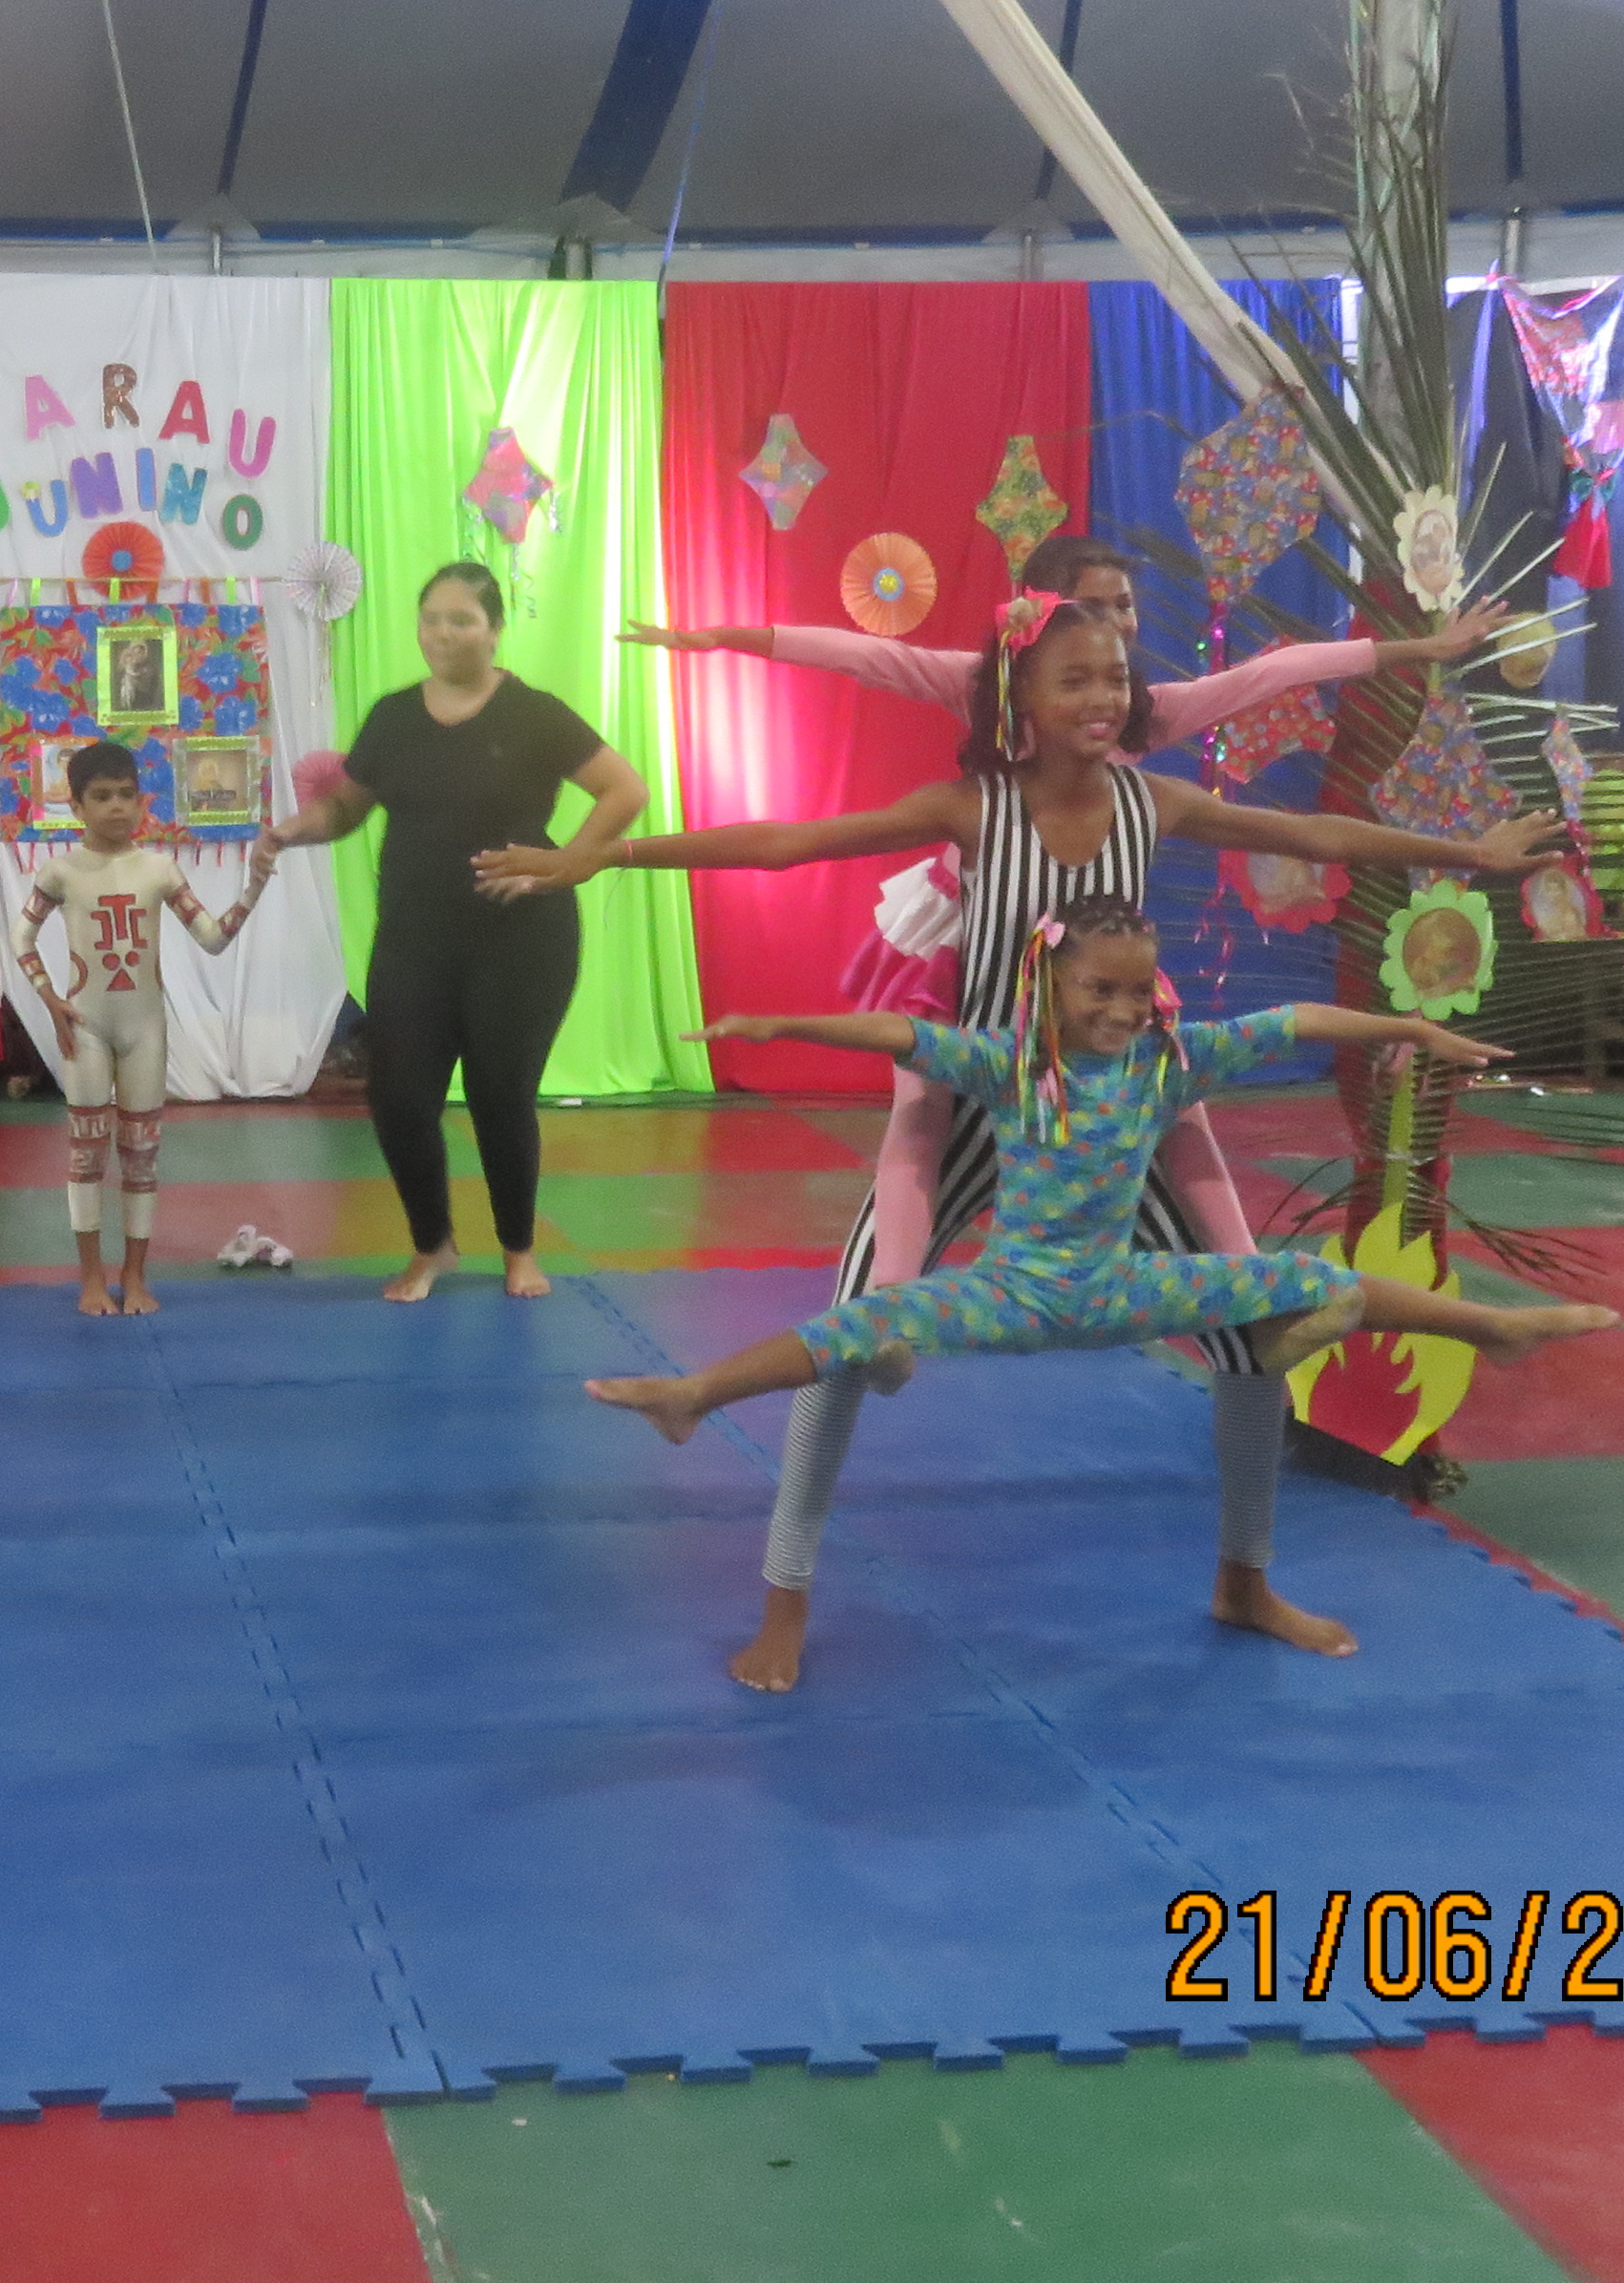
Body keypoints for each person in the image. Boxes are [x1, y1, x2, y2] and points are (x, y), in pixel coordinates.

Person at [484, 591, 1554, 1683]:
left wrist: (1468, 854)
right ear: (1021, 700)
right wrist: (605, 857)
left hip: (1114, 1109)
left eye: (1116, 677)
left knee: (1250, 1339)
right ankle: (784, 1596)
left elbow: (1317, 837)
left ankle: (1246, 1579)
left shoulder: (1155, 802)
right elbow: (788, 844)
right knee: (848, 1338)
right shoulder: (972, 809)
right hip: (981, 1096)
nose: (1103, 698)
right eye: (1074, 679)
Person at [587, 898, 1610, 1652]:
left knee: (1309, 1280)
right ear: (1052, 985)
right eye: (1099, 989)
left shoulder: (1168, 1063)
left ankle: (1491, 1328)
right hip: (1013, 1292)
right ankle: (695, 1393)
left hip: (1123, 1289)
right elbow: (904, 1035)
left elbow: (1297, 1022)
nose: (1122, 1008)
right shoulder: (1013, 1064)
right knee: (859, 1323)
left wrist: (1409, 1029)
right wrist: (785, 1026)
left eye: (1136, 989)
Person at [625, 532, 1507, 1265]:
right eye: (1093, 610)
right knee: (925, 1111)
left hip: (1099, 938)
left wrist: (1421, 658)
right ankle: (887, 1297)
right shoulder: (982, 709)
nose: (1114, 629)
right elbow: (863, 662)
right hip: (992, 925)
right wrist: (727, 639)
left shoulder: (1145, 724)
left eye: (1123, 612)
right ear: (1031, 645)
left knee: (1177, 1106)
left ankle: (1244, 1284)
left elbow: (1283, 683)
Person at [262, 563, 647, 1301]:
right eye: (431, 618)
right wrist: (291, 830)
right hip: (414, 941)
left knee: (502, 1095)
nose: (443, 633)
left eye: (462, 620)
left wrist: (565, 864)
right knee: (399, 1099)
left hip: (521, 941)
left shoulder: (534, 714)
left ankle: (518, 1249)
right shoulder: (393, 717)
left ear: (494, 631)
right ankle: (431, 1245)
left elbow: (624, 789)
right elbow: (345, 809)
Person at [21, 739, 274, 1319]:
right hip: (86, 1028)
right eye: (101, 796)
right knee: (86, 1155)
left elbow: (213, 939)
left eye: (126, 794)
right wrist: (49, 998)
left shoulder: (158, 869)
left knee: (141, 1155)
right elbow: (21, 937)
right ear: (76, 806)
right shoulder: (60, 871)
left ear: (142, 801)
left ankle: (134, 1276)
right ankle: (91, 1279)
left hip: (144, 1030)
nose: (116, 806)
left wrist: (254, 886)